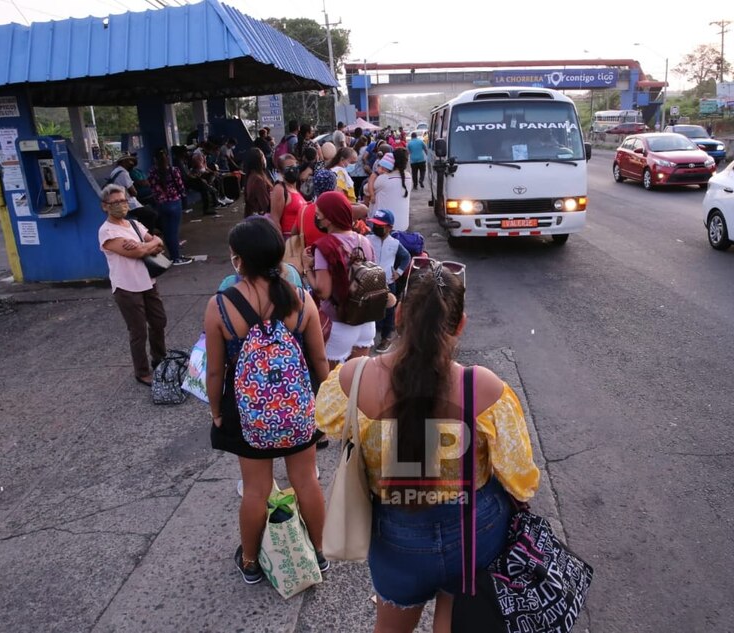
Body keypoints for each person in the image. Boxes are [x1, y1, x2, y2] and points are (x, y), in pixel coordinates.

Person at [315, 257, 540, 632]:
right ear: (461, 324)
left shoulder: (355, 378)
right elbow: (521, 479)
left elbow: (327, 422)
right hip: (475, 532)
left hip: (395, 538)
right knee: (455, 619)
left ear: (399, 314)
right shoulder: (482, 387)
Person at [205, 218, 330, 585]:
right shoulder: (301, 300)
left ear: (239, 260)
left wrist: (216, 412)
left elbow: (214, 373)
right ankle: (319, 553)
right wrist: (322, 402)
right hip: (297, 407)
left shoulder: (220, 306)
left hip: (248, 414)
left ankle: (249, 561)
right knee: (306, 480)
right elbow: (319, 361)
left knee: (256, 489)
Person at [97, 183, 168, 386]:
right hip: (126, 287)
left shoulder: (135, 225)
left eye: (123, 201)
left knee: (159, 322)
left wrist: (144, 245)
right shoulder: (106, 231)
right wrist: (147, 246)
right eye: (116, 202)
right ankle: (142, 371)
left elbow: (159, 242)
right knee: (138, 331)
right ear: (105, 206)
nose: (122, 205)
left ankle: (160, 358)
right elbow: (135, 253)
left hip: (148, 282)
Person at [302, 191, 378, 367]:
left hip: (341, 323)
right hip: (366, 320)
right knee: (357, 378)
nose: (316, 217)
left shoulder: (324, 246)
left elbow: (323, 291)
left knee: (332, 383)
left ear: (329, 218)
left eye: (319, 213)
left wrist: (307, 268)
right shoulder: (364, 241)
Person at [366, 209, 410, 354]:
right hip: (370, 280)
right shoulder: (368, 239)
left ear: (389, 227)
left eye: (380, 225)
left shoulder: (395, 243)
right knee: (369, 308)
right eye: (375, 224)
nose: (376, 227)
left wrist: (398, 272)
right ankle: (368, 336)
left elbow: (406, 257)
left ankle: (387, 337)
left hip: (388, 282)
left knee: (389, 310)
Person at [147, 148, 192, 265]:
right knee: (174, 232)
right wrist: (184, 199)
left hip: (161, 204)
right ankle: (176, 258)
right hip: (174, 202)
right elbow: (181, 187)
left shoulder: (152, 172)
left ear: (154, 160)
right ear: (167, 158)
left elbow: (152, 188)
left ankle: (172, 256)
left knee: (167, 232)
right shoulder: (173, 170)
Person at [108, 154, 159, 233]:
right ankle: (147, 236)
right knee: (152, 214)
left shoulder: (115, 171)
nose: (131, 163)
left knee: (146, 213)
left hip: (119, 201)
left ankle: (143, 233)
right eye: (129, 160)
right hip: (129, 204)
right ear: (124, 162)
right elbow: (134, 192)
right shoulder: (124, 173)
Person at [370, 148, 411, 232]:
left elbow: (367, 189)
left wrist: (375, 175)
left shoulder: (384, 178)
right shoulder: (409, 177)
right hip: (403, 226)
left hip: (383, 227)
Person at [270, 154, 307, 239]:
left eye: (295, 166)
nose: (292, 170)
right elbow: (275, 220)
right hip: (289, 240)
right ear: (281, 172)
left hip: (299, 239)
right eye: (288, 168)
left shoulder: (295, 189)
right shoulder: (280, 189)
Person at [243, 148, 272, 218]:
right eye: (262, 156)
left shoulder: (253, 175)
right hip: (261, 218)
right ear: (258, 161)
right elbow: (265, 204)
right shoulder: (258, 180)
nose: (264, 159)